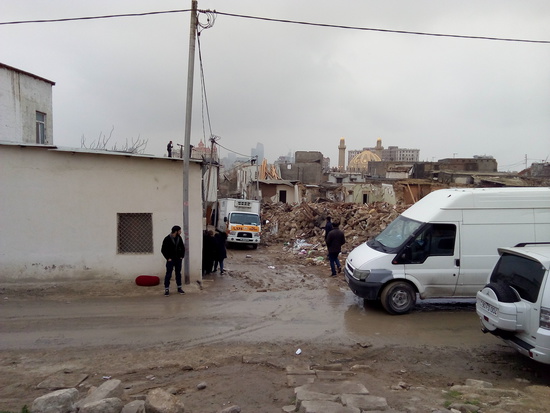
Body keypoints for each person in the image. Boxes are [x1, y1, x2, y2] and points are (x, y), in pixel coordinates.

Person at [161, 225, 185, 296]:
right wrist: (168, 258)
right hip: (170, 260)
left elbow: (182, 247)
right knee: (168, 274)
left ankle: (179, 288)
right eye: (179, 231)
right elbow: (163, 249)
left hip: (178, 259)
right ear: (176, 231)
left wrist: (181, 256)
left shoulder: (179, 238)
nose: (180, 232)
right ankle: (167, 289)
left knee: (178, 274)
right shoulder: (167, 239)